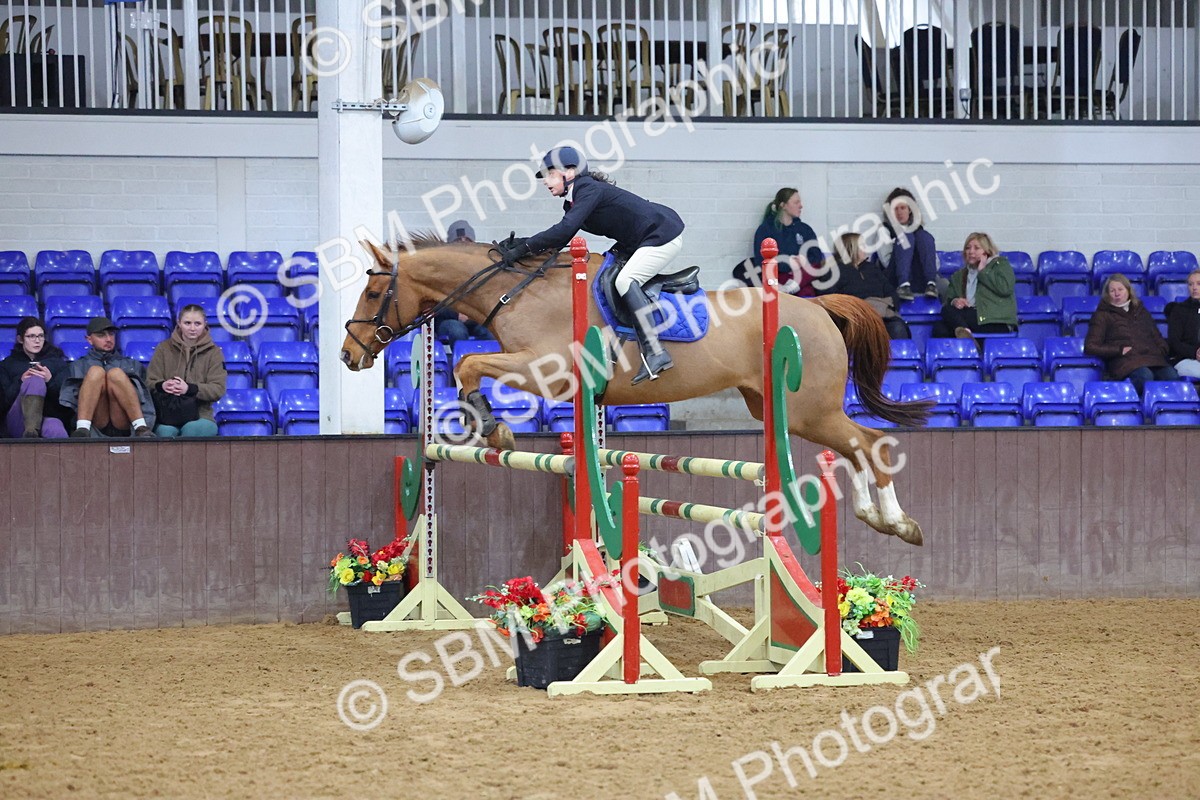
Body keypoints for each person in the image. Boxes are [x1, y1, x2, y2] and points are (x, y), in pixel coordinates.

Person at [496, 145, 683, 384]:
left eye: (551, 174)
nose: (546, 181)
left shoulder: (588, 189)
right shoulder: (573, 200)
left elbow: (563, 230)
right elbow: (562, 239)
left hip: (662, 235)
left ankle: (656, 351)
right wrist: (523, 245)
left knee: (625, 280)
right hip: (639, 240)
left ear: (570, 172)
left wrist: (524, 248)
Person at [60, 317, 156, 438]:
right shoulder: (77, 366)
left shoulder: (132, 364)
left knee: (115, 373)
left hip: (124, 421)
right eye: (101, 335)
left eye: (111, 334)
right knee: (96, 371)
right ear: (89, 339)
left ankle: (141, 427)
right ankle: (82, 428)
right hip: (96, 421)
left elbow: (147, 397)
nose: (108, 339)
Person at [1086, 273, 1180, 395]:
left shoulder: (1141, 311)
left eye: (1120, 289)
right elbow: (1091, 346)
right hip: (1124, 361)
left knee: (1172, 377)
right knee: (1145, 376)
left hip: (1152, 358)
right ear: (1107, 294)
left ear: (1128, 291)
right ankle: (1133, 405)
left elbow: (1156, 336)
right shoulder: (1102, 315)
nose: (1117, 293)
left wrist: (1162, 349)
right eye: (1112, 290)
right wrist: (1119, 350)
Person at [146, 304, 227, 437]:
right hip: (168, 414)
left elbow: (218, 389)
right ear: (179, 323)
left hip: (201, 415)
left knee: (194, 430)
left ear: (205, 324)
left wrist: (189, 389)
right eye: (187, 323)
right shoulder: (163, 348)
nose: (192, 328)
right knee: (165, 432)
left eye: (197, 323)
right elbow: (149, 382)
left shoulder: (214, 353)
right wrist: (163, 385)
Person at [820, 233, 911, 340]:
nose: (866, 249)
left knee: (898, 328)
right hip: (855, 320)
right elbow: (830, 300)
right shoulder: (833, 271)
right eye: (862, 246)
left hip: (882, 317)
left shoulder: (872, 268)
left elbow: (891, 292)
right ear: (851, 249)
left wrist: (885, 305)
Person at [936, 232, 1017, 340]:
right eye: (968, 248)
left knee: (947, 312)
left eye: (976, 248)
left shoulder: (1000, 265)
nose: (971, 252)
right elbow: (949, 298)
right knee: (939, 329)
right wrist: (955, 301)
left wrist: (983, 271)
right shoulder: (959, 275)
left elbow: (1005, 288)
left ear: (986, 251)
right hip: (971, 318)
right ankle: (966, 334)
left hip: (994, 320)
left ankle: (966, 335)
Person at [746, 187, 825, 297]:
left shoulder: (804, 229)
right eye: (796, 202)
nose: (801, 206)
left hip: (802, 276)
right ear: (783, 205)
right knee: (802, 294)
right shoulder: (766, 230)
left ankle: (790, 288)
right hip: (780, 277)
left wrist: (803, 261)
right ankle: (789, 288)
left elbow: (816, 256)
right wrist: (789, 263)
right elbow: (762, 261)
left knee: (817, 267)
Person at [0, 317, 70, 438]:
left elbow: (67, 404)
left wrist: (50, 381)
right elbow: (4, 403)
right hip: (16, 420)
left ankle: (33, 431)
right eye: (31, 336)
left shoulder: (58, 363)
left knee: (56, 428)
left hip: (47, 415)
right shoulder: (7, 365)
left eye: (40, 336)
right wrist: (20, 381)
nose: (37, 340)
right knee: (34, 379)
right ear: (20, 339)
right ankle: (31, 428)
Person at [437, 220, 493, 346]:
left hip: (476, 318)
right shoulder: (440, 269)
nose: (463, 244)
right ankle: (461, 364)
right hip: (448, 320)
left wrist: (472, 313)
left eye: (467, 240)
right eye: (458, 240)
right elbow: (434, 302)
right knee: (456, 330)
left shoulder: (482, 268)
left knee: (491, 332)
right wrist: (458, 313)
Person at [878, 187, 940, 300]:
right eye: (895, 209)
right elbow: (886, 262)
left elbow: (935, 263)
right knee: (905, 236)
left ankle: (931, 284)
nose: (899, 212)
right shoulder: (884, 230)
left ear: (910, 209)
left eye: (903, 208)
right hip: (895, 278)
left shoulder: (920, 232)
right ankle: (903, 286)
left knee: (923, 236)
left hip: (918, 278)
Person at [1165, 269, 1200, 379]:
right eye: (1191, 284)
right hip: (1184, 359)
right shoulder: (1178, 310)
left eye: (1199, 284)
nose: (1194, 287)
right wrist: (1195, 352)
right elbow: (1174, 342)